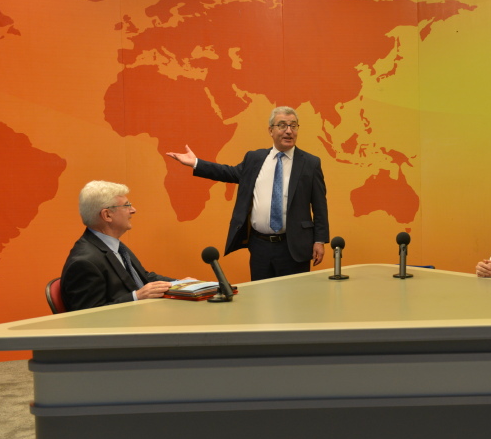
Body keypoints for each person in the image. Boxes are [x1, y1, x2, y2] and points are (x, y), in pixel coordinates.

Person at [167, 106, 330, 281]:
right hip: (260, 246)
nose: (289, 131)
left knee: (294, 296)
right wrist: (196, 163)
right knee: (261, 295)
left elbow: (319, 206)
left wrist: (319, 240)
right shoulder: (255, 159)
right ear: (271, 130)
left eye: (293, 126)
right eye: (282, 125)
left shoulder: (310, 163)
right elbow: (228, 173)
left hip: (294, 246)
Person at [61, 181, 176, 311]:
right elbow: (87, 315)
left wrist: (182, 284)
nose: (133, 210)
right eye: (127, 206)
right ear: (107, 215)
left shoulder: (115, 246)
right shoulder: (84, 262)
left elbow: (144, 277)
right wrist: (136, 297)